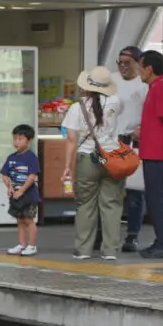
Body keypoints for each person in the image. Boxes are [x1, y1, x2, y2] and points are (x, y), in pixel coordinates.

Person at [60, 66, 123, 261]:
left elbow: (71, 139)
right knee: (111, 204)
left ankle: (83, 249)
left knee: (86, 204)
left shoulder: (77, 107)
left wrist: (68, 167)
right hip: (110, 158)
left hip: (88, 157)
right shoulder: (115, 101)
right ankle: (110, 250)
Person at [133, 49, 163, 260]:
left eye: (140, 68)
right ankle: (160, 241)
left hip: (159, 153)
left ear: (149, 69)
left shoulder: (160, 88)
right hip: (155, 151)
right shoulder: (157, 87)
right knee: (155, 198)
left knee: (156, 199)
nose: (139, 72)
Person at [114, 46, 148, 252]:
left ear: (138, 63)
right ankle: (103, 235)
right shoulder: (111, 80)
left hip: (132, 144)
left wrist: (142, 128)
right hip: (110, 143)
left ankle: (132, 236)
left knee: (134, 191)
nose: (123, 67)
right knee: (109, 189)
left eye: (127, 63)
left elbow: (151, 111)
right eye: (120, 63)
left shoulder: (144, 84)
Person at [0, 123, 40, 256]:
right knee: (20, 219)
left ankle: (32, 245)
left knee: (29, 219)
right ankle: (21, 244)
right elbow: (4, 174)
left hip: (29, 196)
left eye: (20, 139)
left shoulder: (31, 157)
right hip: (16, 195)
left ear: (29, 141)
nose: (16, 141)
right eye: (15, 138)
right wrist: (9, 187)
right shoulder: (11, 158)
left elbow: (32, 176)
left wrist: (22, 190)